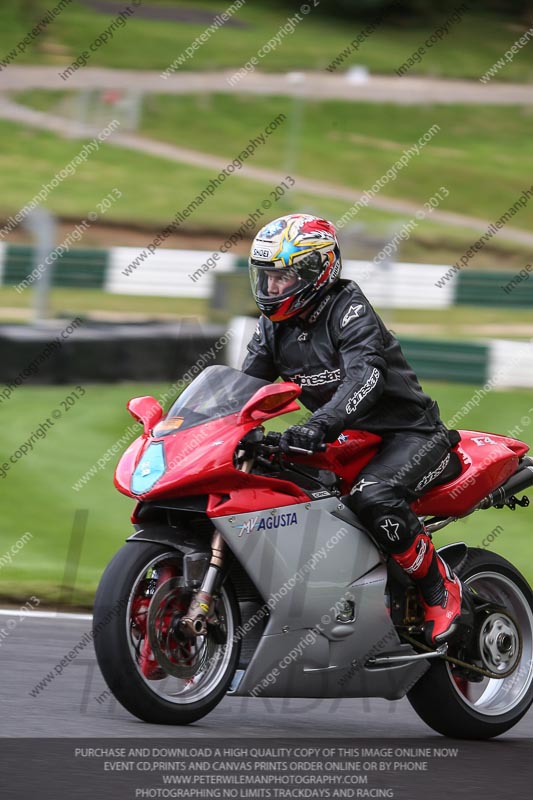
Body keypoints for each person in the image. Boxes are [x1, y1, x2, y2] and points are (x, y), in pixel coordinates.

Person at [242, 212, 462, 646]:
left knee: (372, 496)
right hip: (342, 440)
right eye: (266, 279)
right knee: (268, 489)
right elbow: (242, 388)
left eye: (282, 278)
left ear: (315, 271)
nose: (271, 289)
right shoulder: (273, 326)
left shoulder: (350, 310)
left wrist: (320, 423)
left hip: (407, 434)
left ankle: (440, 589)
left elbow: (366, 377)